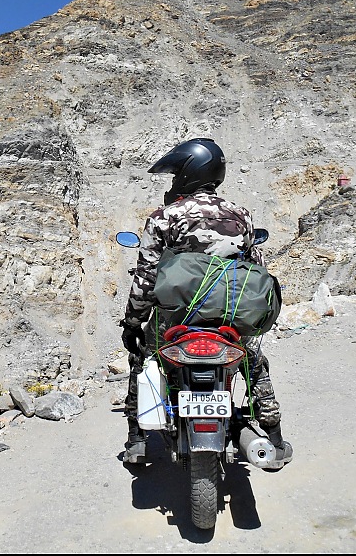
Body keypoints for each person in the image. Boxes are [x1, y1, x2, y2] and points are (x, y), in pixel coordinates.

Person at [119, 137, 293, 467]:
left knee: (142, 359)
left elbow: (146, 278)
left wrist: (132, 323)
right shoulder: (241, 216)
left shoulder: (163, 218)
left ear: (186, 175)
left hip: (177, 320)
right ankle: (273, 436)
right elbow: (254, 270)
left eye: (175, 176)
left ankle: (137, 439)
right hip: (229, 319)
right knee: (254, 362)